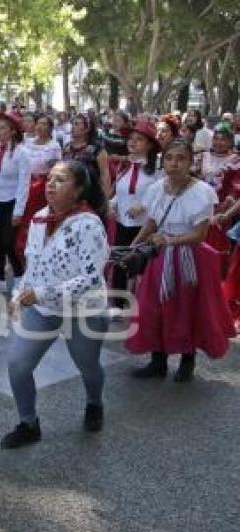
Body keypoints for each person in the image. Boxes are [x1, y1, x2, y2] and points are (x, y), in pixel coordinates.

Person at [2, 160, 110, 449]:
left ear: (78, 191)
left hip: (82, 309)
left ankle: (94, 403)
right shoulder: (39, 218)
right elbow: (31, 265)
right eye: (49, 178)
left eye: (60, 180)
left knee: (88, 366)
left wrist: (41, 293)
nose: (50, 184)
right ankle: (28, 423)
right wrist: (19, 295)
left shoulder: (89, 224)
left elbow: (90, 277)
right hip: (43, 309)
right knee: (17, 366)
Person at [125, 140, 235, 382]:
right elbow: (152, 222)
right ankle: (158, 360)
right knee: (154, 307)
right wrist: (133, 246)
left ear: (190, 162)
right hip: (160, 255)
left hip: (190, 257)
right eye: (169, 158)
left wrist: (169, 242)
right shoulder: (156, 189)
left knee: (187, 308)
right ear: (162, 161)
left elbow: (199, 235)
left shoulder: (202, 192)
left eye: (181, 158)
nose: (174, 163)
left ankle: (187, 360)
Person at [107, 120, 162, 316]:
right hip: (123, 221)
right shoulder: (125, 165)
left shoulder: (157, 169)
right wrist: (112, 203)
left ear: (149, 145)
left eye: (139, 139)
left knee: (141, 263)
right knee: (121, 259)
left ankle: (142, 302)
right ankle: (117, 303)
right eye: (131, 138)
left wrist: (144, 205)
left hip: (145, 225)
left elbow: (161, 194)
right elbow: (120, 191)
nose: (133, 142)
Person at [0, 111, 29, 294]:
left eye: (3, 128)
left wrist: (19, 210)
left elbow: (24, 183)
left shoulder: (21, 153)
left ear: (13, 131)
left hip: (11, 203)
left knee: (9, 242)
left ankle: (19, 277)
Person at [193, 122, 240, 275]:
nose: (219, 142)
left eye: (223, 139)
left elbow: (235, 188)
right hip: (198, 207)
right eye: (216, 138)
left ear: (231, 142)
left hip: (221, 210)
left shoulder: (235, 161)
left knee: (216, 246)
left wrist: (225, 208)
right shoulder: (202, 156)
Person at [15, 113, 62, 261]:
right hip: (26, 182)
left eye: (45, 124)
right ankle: (22, 247)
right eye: (39, 123)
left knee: (39, 216)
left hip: (42, 185)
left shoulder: (54, 146)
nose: (41, 127)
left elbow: (57, 167)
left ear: (50, 128)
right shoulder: (26, 142)